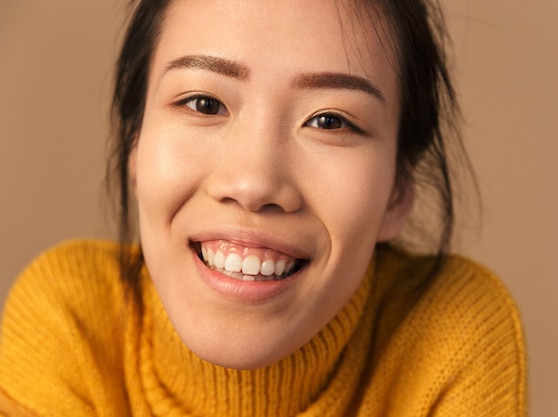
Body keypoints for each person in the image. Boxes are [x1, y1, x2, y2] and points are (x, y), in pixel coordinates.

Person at [0, 0, 526, 415]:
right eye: (203, 103)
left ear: (396, 193)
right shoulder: (67, 323)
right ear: (135, 146)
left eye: (330, 121)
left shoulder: (452, 336)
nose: (253, 183)